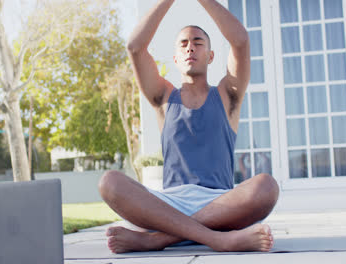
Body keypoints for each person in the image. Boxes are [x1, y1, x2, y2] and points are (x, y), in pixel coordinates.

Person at [98, 0, 279, 253]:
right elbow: (135, 47)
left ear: (211, 55)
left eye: (198, 42)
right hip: (170, 204)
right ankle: (218, 239)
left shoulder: (228, 95)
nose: (190, 48)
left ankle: (158, 239)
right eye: (183, 44)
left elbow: (240, 41)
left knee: (267, 187)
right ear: (175, 58)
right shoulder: (162, 97)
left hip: (221, 204)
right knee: (110, 182)